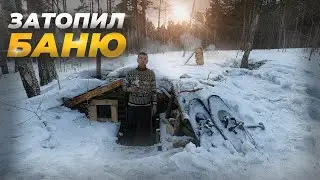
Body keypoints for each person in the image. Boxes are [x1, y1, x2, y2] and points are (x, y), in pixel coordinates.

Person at [121, 52, 157, 146]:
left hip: (146, 105)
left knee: (145, 128)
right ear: (137, 60)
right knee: (131, 127)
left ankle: (146, 148)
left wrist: (155, 104)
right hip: (133, 105)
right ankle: (129, 146)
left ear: (147, 61)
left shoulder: (151, 74)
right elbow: (124, 86)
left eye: (145, 58)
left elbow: (154, 90)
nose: (142, 60)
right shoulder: (131, 73)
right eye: (141, 58)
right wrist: (130, 88)